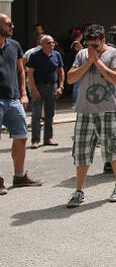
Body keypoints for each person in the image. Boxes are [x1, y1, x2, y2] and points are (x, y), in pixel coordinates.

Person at [66, 24, 116, 206]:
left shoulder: (115, 54)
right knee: (82, 151)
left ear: (103, 41)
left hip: (108, 109)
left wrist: (98, 62)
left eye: (95, 46)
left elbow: (115, 78)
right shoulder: (82, 55)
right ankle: (79, 191)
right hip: (85, 110)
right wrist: (89, 62)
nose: (91, 49)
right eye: (88, 45)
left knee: (112, 148)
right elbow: (70, 78)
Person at [0, 14, 43, 195]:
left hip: (13, 99)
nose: (12, 26)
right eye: (9, 23)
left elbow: (21, 71)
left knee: (21, 136)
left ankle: (19, 176)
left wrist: (23, 94)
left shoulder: (14, 46)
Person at [26, 35, 64, 148]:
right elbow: (30, 74)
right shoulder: (34, 56)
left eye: (53, 42)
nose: (51, 45)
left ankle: (48, 138)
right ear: (41, 44)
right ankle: (35, 140)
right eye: (48, 43)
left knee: (50, 114)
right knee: (36, 114)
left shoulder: (56, 55)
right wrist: (34, 90)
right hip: (38, 87)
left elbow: (61, 71)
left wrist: (61, 87)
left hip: (52, 87)